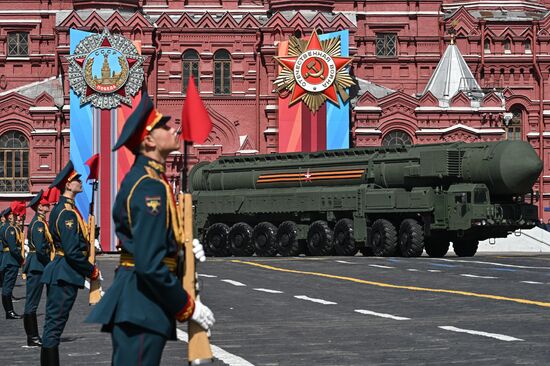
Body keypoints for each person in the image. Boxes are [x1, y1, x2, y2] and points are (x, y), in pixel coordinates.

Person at [86, 92, 213, 365]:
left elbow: (149, 240)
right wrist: (186, 307)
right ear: (148, 140)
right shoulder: (148, 186)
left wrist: (180, 246)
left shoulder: (152, 180)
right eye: (164, 127)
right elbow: (149, 263)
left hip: (142, 304)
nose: (172, 129)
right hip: (141, 303)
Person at [40, 161, 101, 366]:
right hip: (64, 273)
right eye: (76, 180)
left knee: (53, 326)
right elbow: (72, 251)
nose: (80, 182)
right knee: (54, 327)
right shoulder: (67, 213)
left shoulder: (66, 210)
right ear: (67, 184)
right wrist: (91, 270)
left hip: (60, 271)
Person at [22, 189, 53, 347]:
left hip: (37, 264)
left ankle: (32, 336)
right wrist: (50, 264)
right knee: (32, 303)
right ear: (40, 207)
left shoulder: (39, 222)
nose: (48, 206)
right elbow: (41, 249)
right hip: (37, 266)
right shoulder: (39, 223)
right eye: (45, 204)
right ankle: (33, 337)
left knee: (32, 302)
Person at [1, 202, 25, 319]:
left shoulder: (5, 227)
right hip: (11, 260)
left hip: (7, 259)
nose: (16, 217)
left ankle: (9, 311)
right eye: (14, 215)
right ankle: (9, 312)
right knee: (8, 287)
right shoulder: (10, 229)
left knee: (7, 287)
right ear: (9, 216)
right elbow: (13, 248)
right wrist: (21, 260)